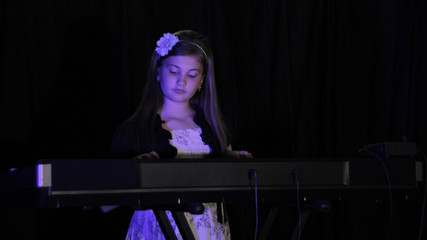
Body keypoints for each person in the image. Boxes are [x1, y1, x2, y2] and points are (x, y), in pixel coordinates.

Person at [110, 30, 252, 240]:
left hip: (207, 231)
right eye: (174, 71)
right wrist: (135, 173)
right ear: (158, 71)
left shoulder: (213, 127)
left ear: (202, 80)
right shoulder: (135, 129)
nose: (181, 82)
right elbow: (105, 205)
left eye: (192, 75)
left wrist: (230, 164)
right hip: (156, 231)